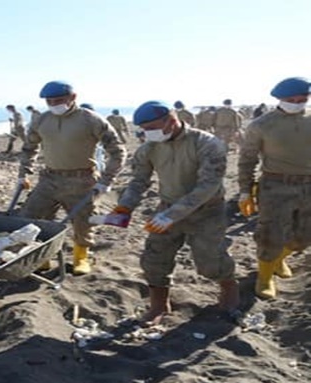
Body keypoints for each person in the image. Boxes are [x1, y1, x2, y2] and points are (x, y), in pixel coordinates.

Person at [108, 100, 238, 325]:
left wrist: (172, 215)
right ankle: (159, 305)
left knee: (210, 263)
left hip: (207, 211)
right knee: (154, 259)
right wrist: (124, 207)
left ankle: (229, 290)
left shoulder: (207, 143)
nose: (148, 133)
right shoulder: (149, 148)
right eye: (144, 129)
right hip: (167, 207)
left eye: (152, 127)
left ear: (171, 120)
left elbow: (208, 186)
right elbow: (138, 181)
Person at [19, 81, 126, 275]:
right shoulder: (41, 120)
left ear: (73, 97)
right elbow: (29, 148)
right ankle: (44, 255)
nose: (54, 104)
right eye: (49, 101)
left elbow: (117, 151)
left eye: (59, 100)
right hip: (49, 179)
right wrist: (24, 173)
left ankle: (80, 257)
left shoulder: (90, 119)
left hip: (82, 180)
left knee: (83, 220)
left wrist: (106, 180)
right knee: (34, 216)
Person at [238, 77, 311, 300]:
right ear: (279, 99)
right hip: (276, 185)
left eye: (303, 99)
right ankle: (265, 276)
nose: (297, 103)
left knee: (304, 237)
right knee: (270, 235)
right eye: (292, 99)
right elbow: (247, 159)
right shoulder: (262, 125)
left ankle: (279, 260)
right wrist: (244, 190)